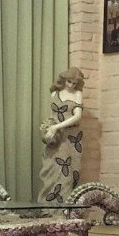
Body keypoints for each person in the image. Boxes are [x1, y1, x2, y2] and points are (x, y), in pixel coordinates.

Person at [38, 67, 85, 202]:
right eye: (69, 82)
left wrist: (56, 126)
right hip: (56, 137)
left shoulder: (77, 94)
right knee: (50, 168)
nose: (71, 85)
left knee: (68, 170)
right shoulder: (55, 94)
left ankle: (64, 208)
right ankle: (48, 207)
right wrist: (48, 128)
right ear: (64, 80)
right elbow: (53, 115)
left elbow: (77, 116)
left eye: (74, 83)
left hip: (71, 136)